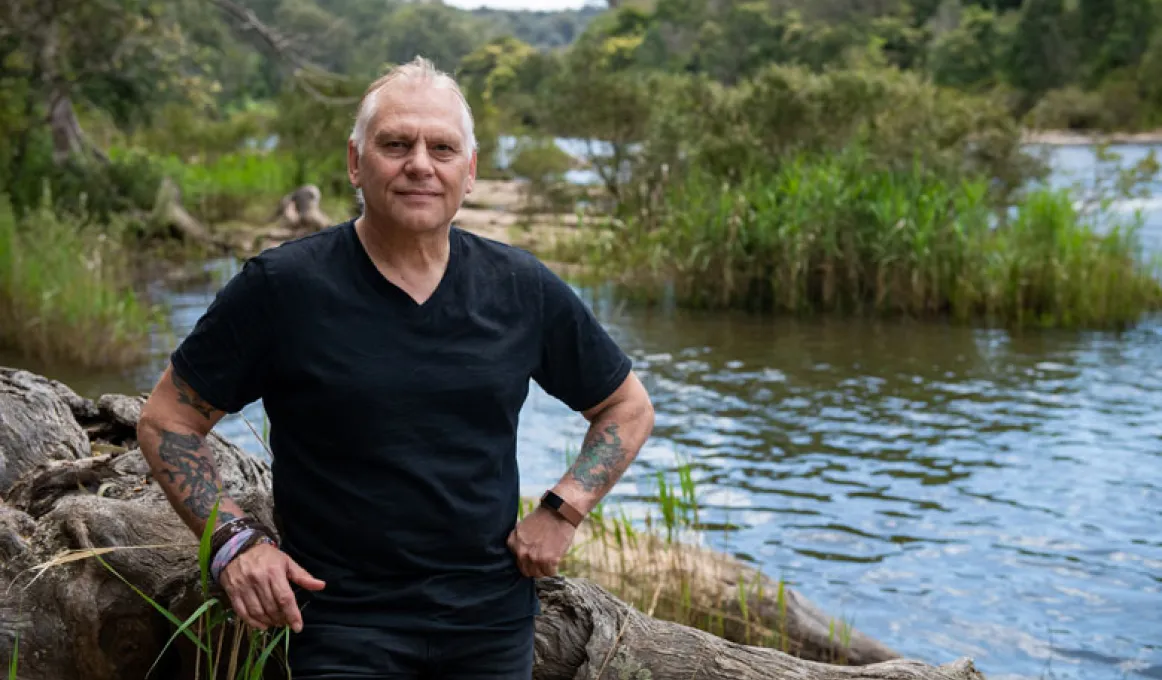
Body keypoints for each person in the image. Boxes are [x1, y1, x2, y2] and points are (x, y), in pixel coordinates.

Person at [136, 55, 655, 679]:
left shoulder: (521, 287)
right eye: (395, 143)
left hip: (489, 623)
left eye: (441, 147)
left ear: (469, 170)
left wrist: (563, 507)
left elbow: (626, 407)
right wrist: (233, 543)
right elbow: (168, 419)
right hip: (334, 623)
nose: (419, 164)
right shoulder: (283, 288)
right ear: (357, 162)